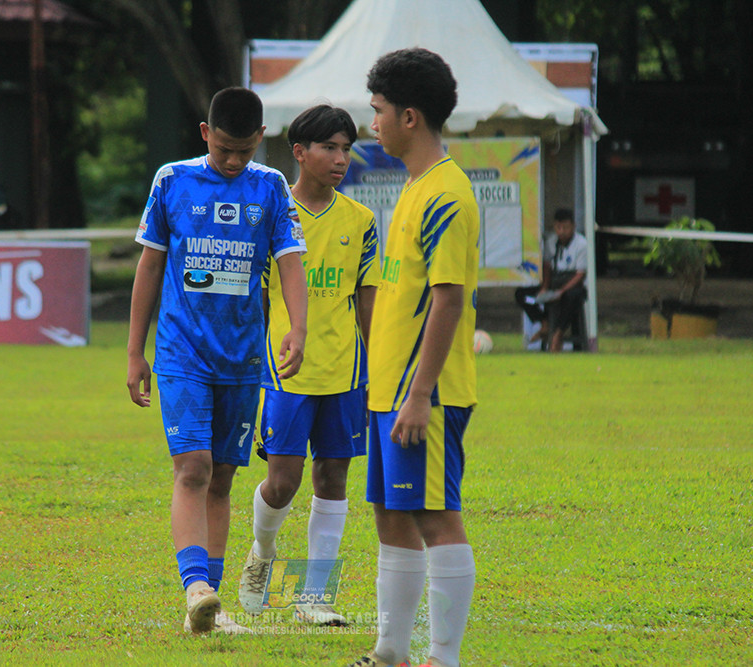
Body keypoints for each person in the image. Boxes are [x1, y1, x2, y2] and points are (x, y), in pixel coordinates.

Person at [125, 87, 308, 636]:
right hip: (182, 351)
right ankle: (196, 587)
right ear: (205, 134)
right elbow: (149, 266)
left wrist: (298, 327)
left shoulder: (271, 187)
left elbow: (290, 260)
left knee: (223, 478)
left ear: (261, 139)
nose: (232, 160)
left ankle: (208, 608)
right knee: (194, 468)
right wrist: (135, 351)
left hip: (243, 357)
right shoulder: (172, 181)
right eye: (223, 149)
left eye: (243, 151)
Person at [349, 48, 480, 667]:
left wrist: (421, 393)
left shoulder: (447, 195)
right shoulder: (414, 185)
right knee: (391, 517)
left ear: (410, 116)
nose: (370, 122)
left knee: (434, 516)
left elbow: (448, 301)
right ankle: (391, 654)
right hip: (388, 392)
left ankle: (442, 660)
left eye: (377, 110)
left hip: (421, 393)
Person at [237, 105, 380, 627]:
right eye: (329, 148)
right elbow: (256, 297)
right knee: (283, 482)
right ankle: (262, 551)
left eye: (346, 149)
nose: (341, 159)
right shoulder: (273, 216)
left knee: (333, 476)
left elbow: (368, 300)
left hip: (345, 371)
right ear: (299, 152)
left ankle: (314, 597)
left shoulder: (361, 221)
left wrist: (378, 367)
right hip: (285, 372)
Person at [513, 208, 588, 352]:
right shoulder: (551, 241)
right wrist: (545, 288)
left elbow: (580, 274)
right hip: (553, 283)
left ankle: (558, 332)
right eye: (558, 227)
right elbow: (547, 266)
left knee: (572, 297)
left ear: (573, 226)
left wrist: (561, 291)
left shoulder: (581, 244)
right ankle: (543, 322)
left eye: (565, 227)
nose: (562, 232)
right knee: (523, 296)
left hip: (571, 286)